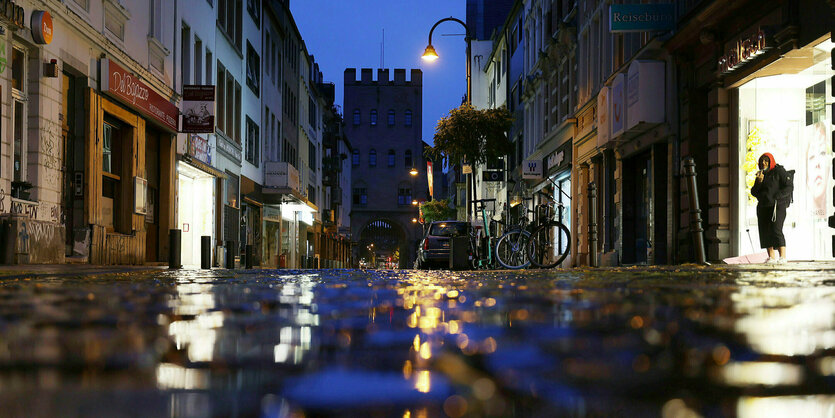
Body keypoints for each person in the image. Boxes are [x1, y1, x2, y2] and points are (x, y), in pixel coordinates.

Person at [751, 152, 792, 264]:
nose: (763, 163)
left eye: (766, 160)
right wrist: (759, 182)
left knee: (776, 229)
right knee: (765, 231)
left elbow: (789, 186)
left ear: (770, 161)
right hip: (763, 206)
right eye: (761, 161)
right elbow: (754, 192)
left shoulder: (779, 171)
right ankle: (771, 257)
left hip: (777, 206)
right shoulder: (761, 175)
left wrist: (778, 196)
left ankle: (783, 256)